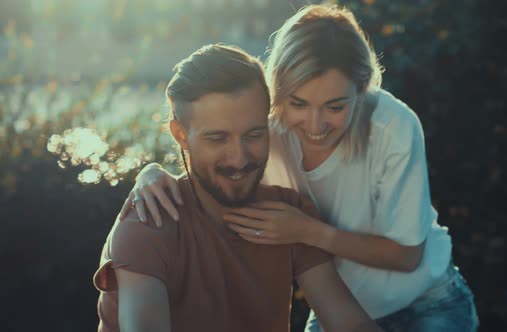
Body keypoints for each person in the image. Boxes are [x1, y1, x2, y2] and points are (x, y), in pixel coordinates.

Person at [120, 5, 479, 332]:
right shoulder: (268, 129)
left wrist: (308, 231)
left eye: (335, 106)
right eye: (298, 103)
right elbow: (216, 156)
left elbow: (407, 255)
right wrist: (151, 172)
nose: (315, 124)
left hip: (427, 300)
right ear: (279, 93)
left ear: (362, 89)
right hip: (340, 299)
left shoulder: (392, 127)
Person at [94, 44, 382, 332]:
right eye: (217, 139)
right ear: (181, 135)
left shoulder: (289, 217)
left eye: (253, 135)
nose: (239, 158)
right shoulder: (148, 224)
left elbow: (349, 323)